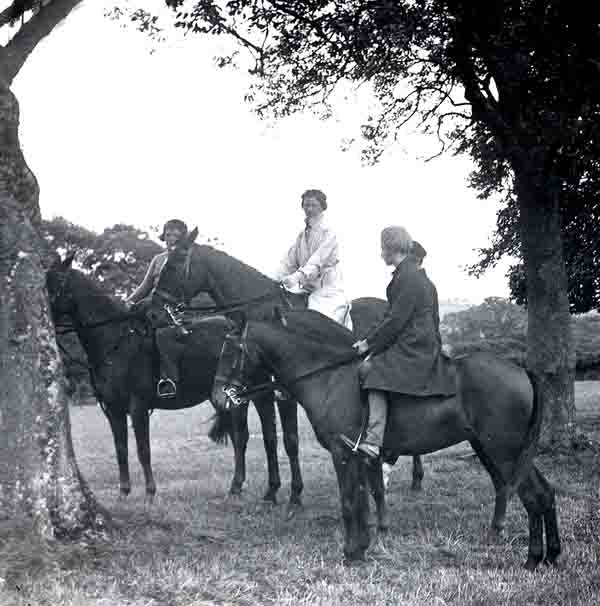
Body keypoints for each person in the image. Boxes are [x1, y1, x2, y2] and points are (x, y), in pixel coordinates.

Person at [340, 226, 456, 460]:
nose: (381, 253)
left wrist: (368, 345)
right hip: (420, 342)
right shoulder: (414, 275)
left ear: (391, 249)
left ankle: (373, 439)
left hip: (414, 345)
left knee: (371, 369)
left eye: (382, 248)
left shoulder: (408, 277)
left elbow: (395, 321)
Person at [126, 219, 189, 398]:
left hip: (173, 308)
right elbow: (145, 286)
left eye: (176, 235)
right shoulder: (158, 259)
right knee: (126, 325)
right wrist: (128, 302)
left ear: (183, 238)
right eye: (168, 234)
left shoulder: (187, 260)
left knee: (163, 334)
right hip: (153, 304)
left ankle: (168, 379)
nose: (171, 238)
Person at [275, 189, 352, 329]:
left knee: (320, 327)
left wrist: (296, 277)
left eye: (313, 205)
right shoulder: (301, 236)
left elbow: (316, 263)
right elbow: (288, 263)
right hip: (306, 289)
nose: (309, 209)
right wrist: (274, 279)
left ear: (322, 207)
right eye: (306, 205)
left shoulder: (329, 233)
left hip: (327, 290)